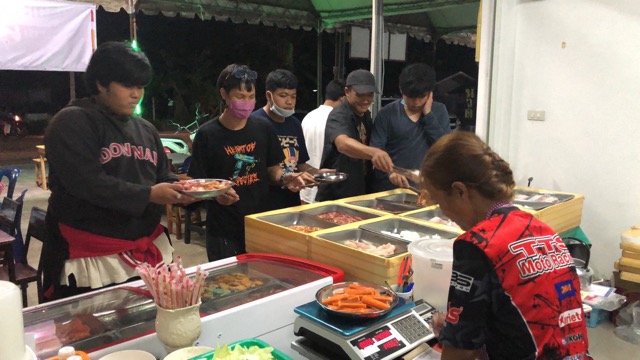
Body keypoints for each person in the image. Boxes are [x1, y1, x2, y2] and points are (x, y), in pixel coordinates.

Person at [421, 132, 591, 360]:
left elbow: (460, 352)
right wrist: (456, 325)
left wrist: (456, 336)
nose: (445, 213)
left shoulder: (475, 245)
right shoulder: (542, 230)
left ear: (460, 191)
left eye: (440, 202)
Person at [42, 41, 192, 300]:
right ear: (101, 83)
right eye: (128, 85)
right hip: (89, 256)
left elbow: (162, 177)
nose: (136, 94)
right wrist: (149, 195)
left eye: (141, 86)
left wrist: (190, 191)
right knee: (92, 334)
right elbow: (88, 184)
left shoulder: (146, 129)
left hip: (146, 248)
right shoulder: (72, 121)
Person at [188, 64, 307, 261]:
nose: (246, 102)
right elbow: (196, 183)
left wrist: (286, 178)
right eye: (240, 97)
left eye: (250, 97)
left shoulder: (263, 127)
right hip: (224, 228)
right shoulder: (207, 134)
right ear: (224, 94)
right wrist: (216, 195)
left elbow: (272, 169)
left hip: (259, 223)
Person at [371, 63, 451, 191]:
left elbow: (445, 149)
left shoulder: (439, 111)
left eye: (421, 97)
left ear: (430, 94)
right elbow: (376, 152)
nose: (416, 102)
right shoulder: (387, 114)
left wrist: (428, 115)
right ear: (401, 90)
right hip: (391, 189)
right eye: (411, 97)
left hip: (426, 190)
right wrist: (390, 173)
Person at [316, 69, 394, 201]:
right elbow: (343, 144)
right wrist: (374, 153)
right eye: (360, 95)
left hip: (360, 190)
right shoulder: (338, 114)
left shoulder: (366, 115)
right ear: (347, 92)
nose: (365, 100)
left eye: (369, 95)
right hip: (336, 193)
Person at [252, 69, 320, 209]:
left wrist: (319, 174)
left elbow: (299, 164)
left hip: (290, 200)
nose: (289, 102)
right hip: (263, 201)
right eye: (283, 96)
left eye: (293, 96)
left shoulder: (294, 123)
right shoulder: (254, 122)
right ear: (269, 96)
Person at [300, 79, 346, 204]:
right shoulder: (337, 120)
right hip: (325, 190)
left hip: (304, 186)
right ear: (343, 98)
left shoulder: (308, 116)